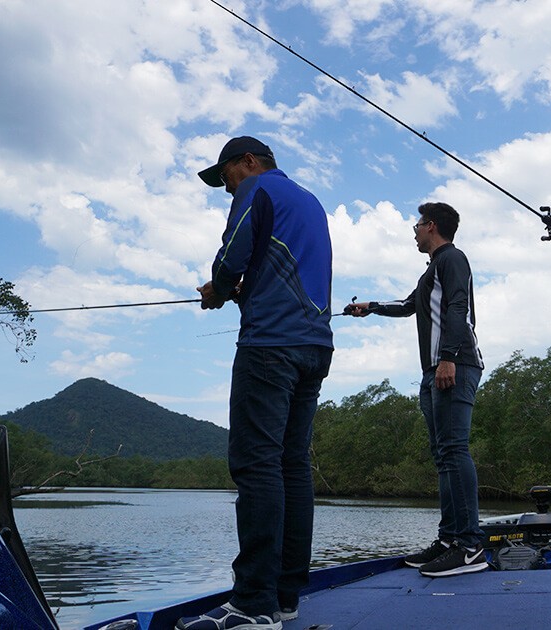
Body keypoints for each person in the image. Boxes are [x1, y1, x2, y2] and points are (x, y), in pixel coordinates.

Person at [177, 136, 334, 630]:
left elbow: (232, 256)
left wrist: (219, 289)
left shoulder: (259, 190)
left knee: (256, 465)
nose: (227, 189)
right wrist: (246, 287)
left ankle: (252, 604)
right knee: (291, 467)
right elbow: (281, 264)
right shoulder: (310, 201)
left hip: (270, 345)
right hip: (315, 345)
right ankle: (285, 597)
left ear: (248, 162)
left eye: (226, 177)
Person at [346, 202, 488, 578]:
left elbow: (460, 309)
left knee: (455, 449)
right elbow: (410, 305)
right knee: (443, 455)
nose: (414, 230)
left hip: (454, 364)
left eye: (417, 224)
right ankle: (449, 541)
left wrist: (449, 358)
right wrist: (371, 307)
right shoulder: (430, 272)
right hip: (435, 369)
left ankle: (471, 546)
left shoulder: (452, 258)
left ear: (433, 226)